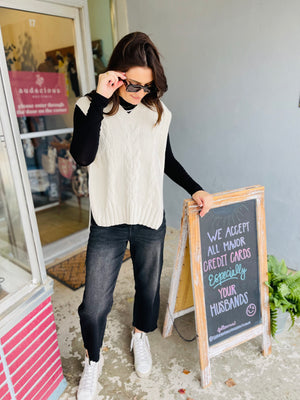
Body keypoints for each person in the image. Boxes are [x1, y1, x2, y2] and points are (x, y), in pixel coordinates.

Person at [70, 31, 213, 400]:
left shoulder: (159, 113)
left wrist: (194, 187)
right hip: (108, 217)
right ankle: (93, 360)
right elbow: (83, 157)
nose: (139, 93)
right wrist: (103, 95)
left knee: (148, 290)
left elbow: (165, 160)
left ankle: (139, 336)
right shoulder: (90, 107)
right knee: (94, 303)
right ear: (116, 74)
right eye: (133, 84)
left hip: (149, 217)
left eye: (147, 87)